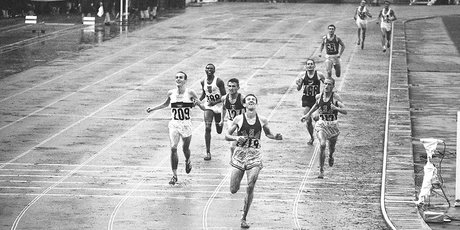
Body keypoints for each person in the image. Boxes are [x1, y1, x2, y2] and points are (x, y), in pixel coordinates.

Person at [226, 94, 283, 229]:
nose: (251, 101)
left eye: (253, 100)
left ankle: (243, 218)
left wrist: (275, 137)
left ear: (256, 104)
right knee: (233, 189)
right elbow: (227, 136)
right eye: (248, 100)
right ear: (244, 105)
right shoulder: (238, 119)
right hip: (240, 155)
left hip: (255, 156)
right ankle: (238, 184)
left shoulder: (262, 120)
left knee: (251, 184)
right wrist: (236, 138)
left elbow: (268, 134)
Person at [146, 71, 205, 185]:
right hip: (174, 124)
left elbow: (202, 107)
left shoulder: (190, 92)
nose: (178, 79)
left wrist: (198, 103)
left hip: (186, 125)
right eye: (177, 77)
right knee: (173, 147)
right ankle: (174, 175)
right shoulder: (171, 93)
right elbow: (165, 104)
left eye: (181, 78)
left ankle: (188, 161)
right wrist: (152, 109)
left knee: (185, 149)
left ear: (185, 80)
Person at [300, 78, 347, 179]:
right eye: (325, 84)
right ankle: (321, 170)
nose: (326, 86)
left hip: (333, 125)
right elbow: (316, 105)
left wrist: (336, 108)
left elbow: (345, 110)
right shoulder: (319, 96)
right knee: (322, 144)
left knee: (332, 147)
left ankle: (330, 156)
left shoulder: (335, 97)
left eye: (329, 84)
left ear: (333, 86)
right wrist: (307, 115)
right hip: (321, 124)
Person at [199, 64, 226, 161]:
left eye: (211, 68)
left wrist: (214, 102)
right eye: (207, 68)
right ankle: (208, 152)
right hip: (208, 106)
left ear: (214, 70)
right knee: (207, 127)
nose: (209, 70)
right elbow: (204, 93)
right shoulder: (203, 81)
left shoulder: (219, 81)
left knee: (219, 130)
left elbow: (224, 97)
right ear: (205, 70)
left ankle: (220, 125)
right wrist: (197, 100)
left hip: (218, 106)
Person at [296, 58, 326, 145]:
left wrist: (324, 93)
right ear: (306, 66)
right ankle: (312, 137)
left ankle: (321, 135)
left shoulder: (319, 75)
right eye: (308, 64)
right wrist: (298, 84)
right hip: (306, 100)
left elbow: (326, 84)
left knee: (316, 118)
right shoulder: (302, 75)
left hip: (316, 100)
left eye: (311, 64)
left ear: (314, 66)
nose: (310, 65)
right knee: (308, 120)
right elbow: (298, 89)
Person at [220, 78, 246, 159]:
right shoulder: (224, 98)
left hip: (241, 122)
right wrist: (222, 120)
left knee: (241, 144)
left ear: (238, 88)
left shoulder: (242, 98)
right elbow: (223, 109)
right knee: (232, 146)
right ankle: (233, 161)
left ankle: (237, 159)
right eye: (229, 86)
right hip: (231, 122)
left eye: (234, 86)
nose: (231, 88)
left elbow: (248, 110)